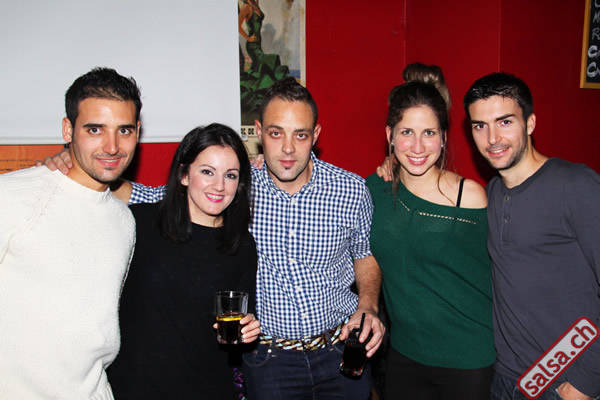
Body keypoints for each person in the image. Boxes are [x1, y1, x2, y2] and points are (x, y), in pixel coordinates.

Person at [41, 77, 385, 399]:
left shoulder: (350, 189)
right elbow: (157, 195)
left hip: (340, 351)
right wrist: (75, 161)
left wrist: (368, 305)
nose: (288, 148)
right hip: (271, 361)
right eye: (276, 133)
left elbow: (364, 254)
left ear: (316, 134)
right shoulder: (237, 186)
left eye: (301, 135)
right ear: (260, 132)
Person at [0, 67, 141, 399]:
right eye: (95, 129)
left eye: (124, 130)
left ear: (138, 132)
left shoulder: (124, 220)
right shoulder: (12, 196)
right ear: (68, 129)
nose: (112, 146)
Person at [464, 72, 600, 400]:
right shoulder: (491, 193)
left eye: (505, 122)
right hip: (505, 379)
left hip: (564, 383)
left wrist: (587, 380)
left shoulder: (576, 185)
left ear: (530, 123)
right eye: (480, 125)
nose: (492, 138)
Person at [106, 123, 260, 399]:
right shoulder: (140, 223)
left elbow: (240, 325)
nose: (219, 186)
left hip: (208, 387)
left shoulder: (242, 245)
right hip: (136, 386)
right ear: (184, 175)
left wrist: (248, 329)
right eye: (207, 172)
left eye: (231, 175)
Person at [369, 67, 495, 399]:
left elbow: (504, 274)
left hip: (468, 359)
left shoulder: (470, 196)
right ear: (390, 135)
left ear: (443, 137)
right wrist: (260, 167)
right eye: (406, 132)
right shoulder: (375, 190)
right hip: (404, 356)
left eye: (429, 132)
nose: (417, 145)